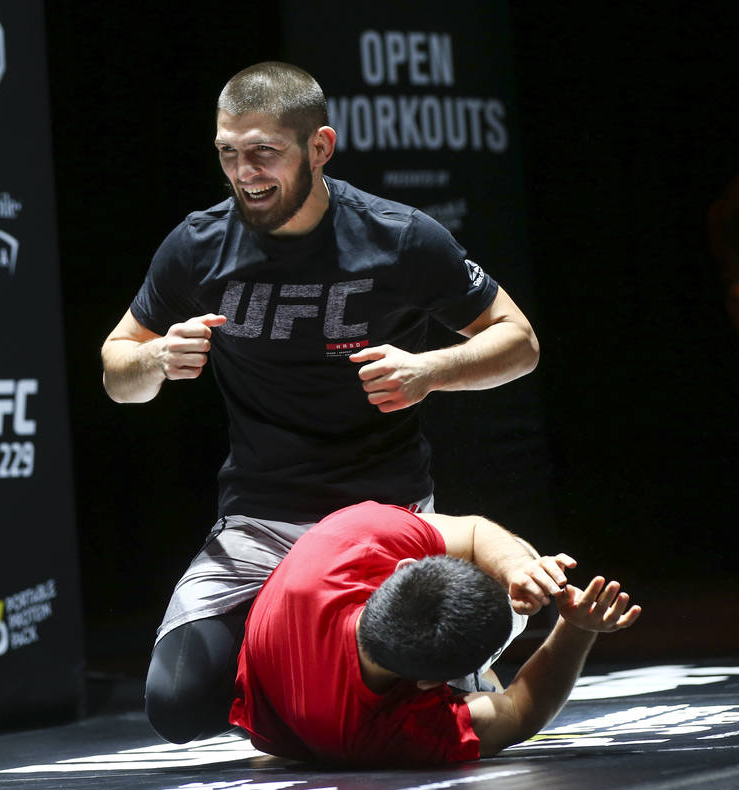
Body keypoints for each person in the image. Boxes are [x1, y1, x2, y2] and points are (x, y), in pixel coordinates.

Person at [100, 61, 541, 743]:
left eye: (263, 152)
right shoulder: (197, 244)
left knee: (399, 701)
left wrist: (431, 370)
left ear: (320, 146)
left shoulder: (398, 236)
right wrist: (155, 361)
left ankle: (428, 660)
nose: (244, 172)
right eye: (228, 153)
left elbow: (519, 341)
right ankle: (302, 661)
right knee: (178, 706)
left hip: (383, 520)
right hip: (259, 524)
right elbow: (116, 369)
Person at [229, 500, 642, 765]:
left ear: (404, 568)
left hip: (286, 677)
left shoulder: (352, 537)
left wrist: (519, 569)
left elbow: (475, 531)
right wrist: (576, 628)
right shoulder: (388, 732)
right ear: (434, 684)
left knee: (515, 561)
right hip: (313, 721)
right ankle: (488, 668)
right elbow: (519, 712)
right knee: (514, 566)